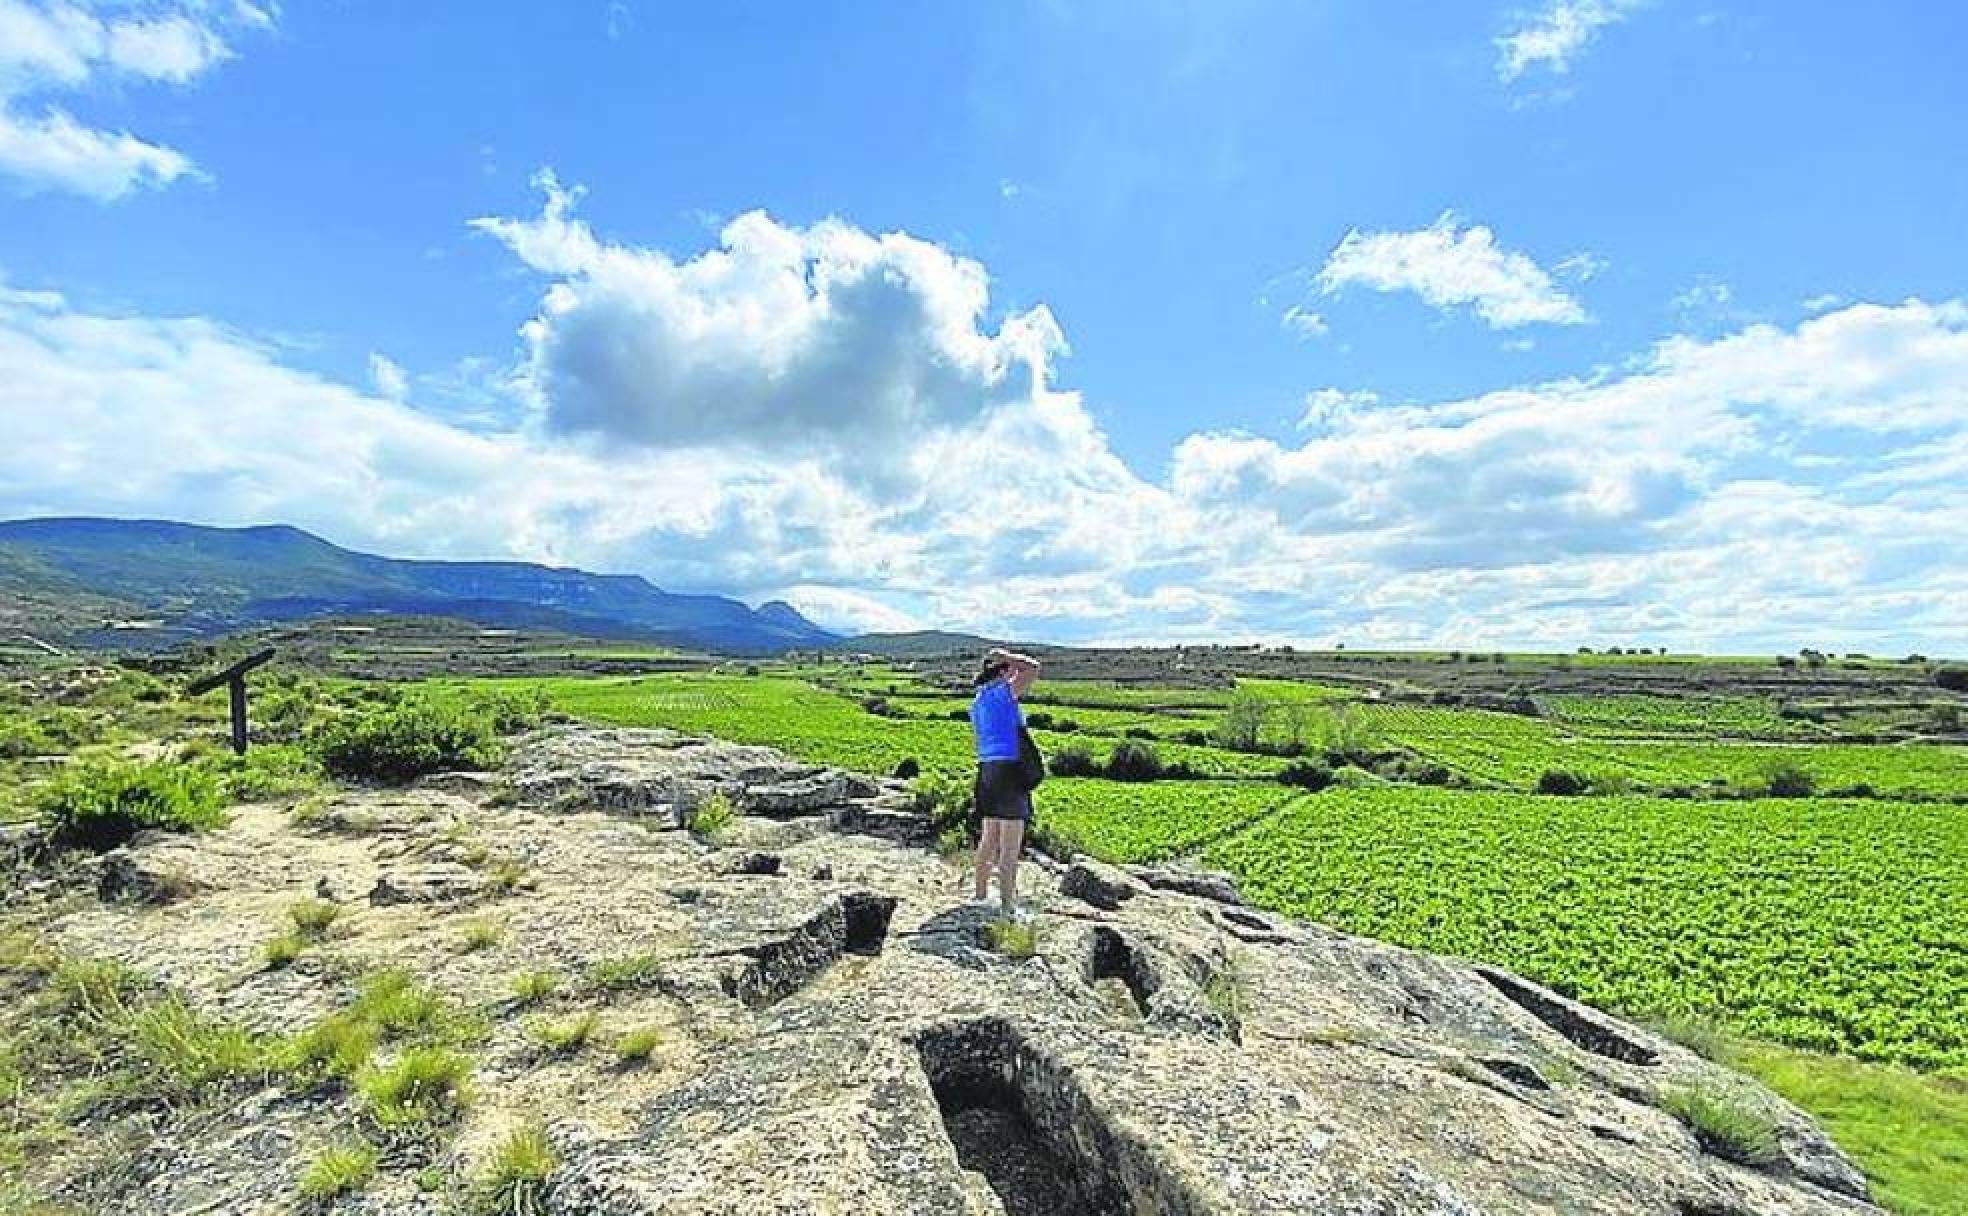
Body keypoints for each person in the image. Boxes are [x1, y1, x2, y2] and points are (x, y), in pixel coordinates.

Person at [968, 646, 1040, 919]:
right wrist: (1007, 656)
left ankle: (980, 895)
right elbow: (1033, 667)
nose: (1016, 674)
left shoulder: (977, 702)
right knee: (1009, 846)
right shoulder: (1005, 694)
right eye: (1011, 670)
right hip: (1010, 772)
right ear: (1004, 671)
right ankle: (1008, 907)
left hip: (987, 771)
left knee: (989, 839)